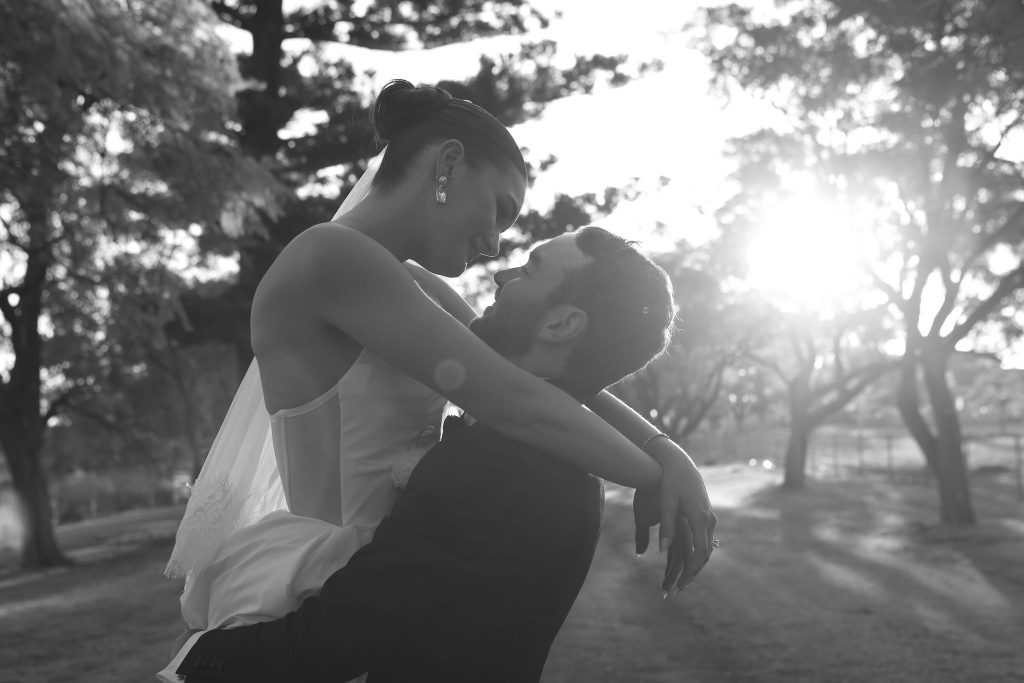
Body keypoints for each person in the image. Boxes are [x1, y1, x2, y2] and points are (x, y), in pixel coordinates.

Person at [161, 79, 716, 677]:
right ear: (449, 163)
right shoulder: (329, 258)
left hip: (395, 574)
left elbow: (525, 380)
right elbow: (513, 401)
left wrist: (666, 452)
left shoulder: (409, 287)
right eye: (500, 208)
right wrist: (653, 474)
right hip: (325, 577)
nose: (496, 243)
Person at [172, 226, 689, 682]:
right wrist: (665, 453)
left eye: (530, 269)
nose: (502, 275)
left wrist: (198, 656)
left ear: (560, 325)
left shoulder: (496, 468)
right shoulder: (559, 463)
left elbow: (330, 642)